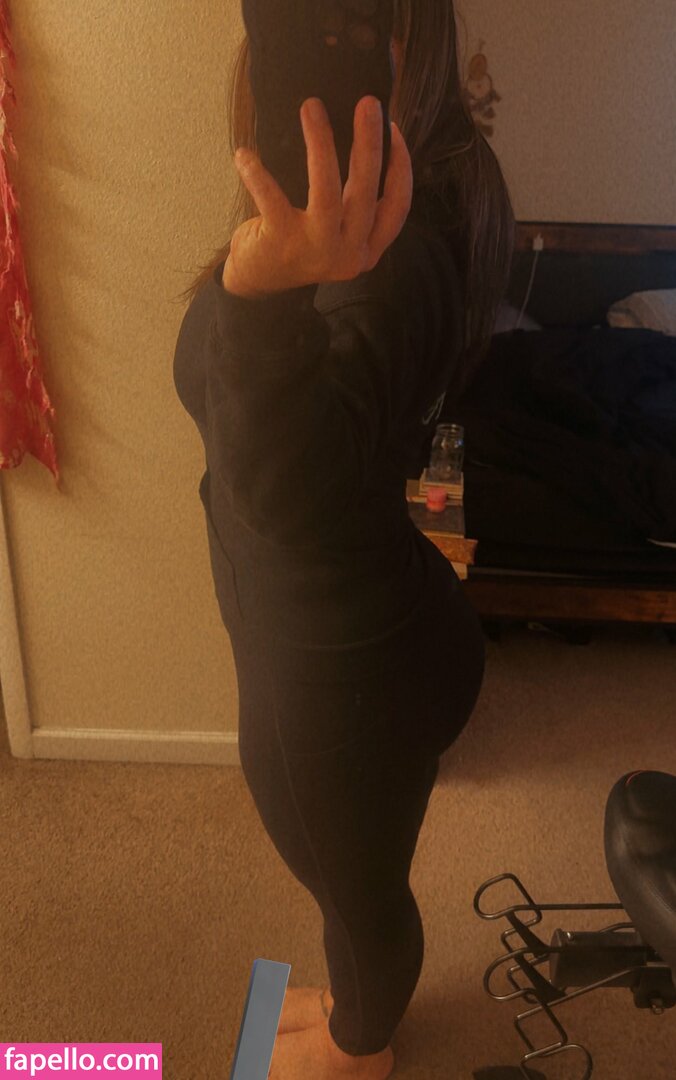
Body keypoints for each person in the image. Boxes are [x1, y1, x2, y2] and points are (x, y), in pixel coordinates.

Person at [173, 4, 515, 1078]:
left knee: (357, 906)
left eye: (354, 21)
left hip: (346, 676)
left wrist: (255, 297)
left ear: (404, 40)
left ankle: (360, 1041)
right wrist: (261, 281)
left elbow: (291, 496)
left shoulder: (391, 258)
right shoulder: (330, 218)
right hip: (343, 632)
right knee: (344, 878)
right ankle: (346, 1007)